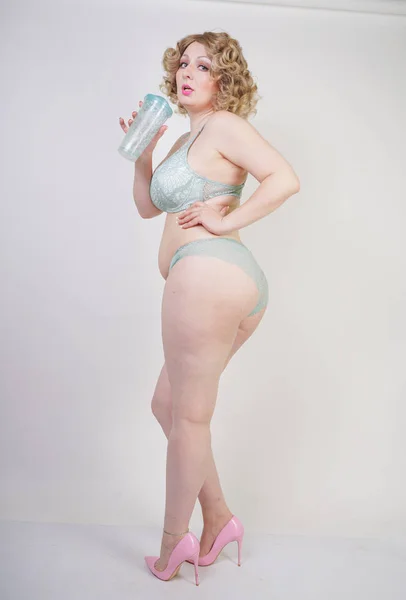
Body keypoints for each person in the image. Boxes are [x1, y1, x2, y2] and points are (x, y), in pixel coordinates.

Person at [119, 31, 300, 585]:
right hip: (216, 280)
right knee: (167, 405)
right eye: (183, 64)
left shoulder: (223, 125)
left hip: (207, 273)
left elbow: (285, 179)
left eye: (203, 65)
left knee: (190, 416)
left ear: (225, 79)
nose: (187, 72)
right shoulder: (184, 138)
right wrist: (144, 157)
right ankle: (219, 519)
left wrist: (225, 220)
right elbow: (148, 208)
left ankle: (174, 543)